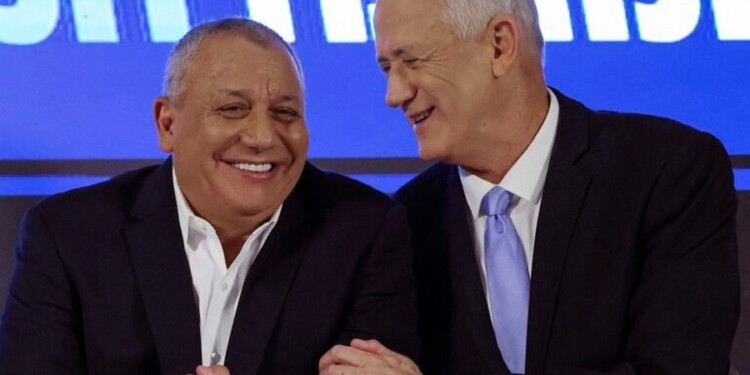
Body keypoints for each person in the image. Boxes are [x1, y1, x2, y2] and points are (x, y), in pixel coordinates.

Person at [319, 0, 740, 374]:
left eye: (412, 60)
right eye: (387, 68)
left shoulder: (665, 170)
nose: (393, 94)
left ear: (499, 45)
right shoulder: (404, 225)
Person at [0, 18, 418, 375]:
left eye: (285, 113)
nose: (262, 137)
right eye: (233, 109)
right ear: (167, 123)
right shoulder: (68, 236)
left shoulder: (364, 231)